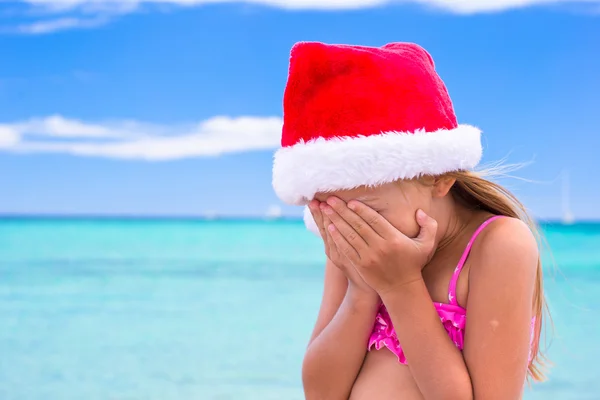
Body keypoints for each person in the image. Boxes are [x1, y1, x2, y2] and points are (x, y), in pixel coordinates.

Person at [271, 41, 549, 399]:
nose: (355, 229)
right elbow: (321, 392)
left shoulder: (498, 245)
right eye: (328, 211)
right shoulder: (351, 239)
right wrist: (362, 289)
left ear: (440, 177)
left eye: (368, 213)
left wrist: (400, 287)